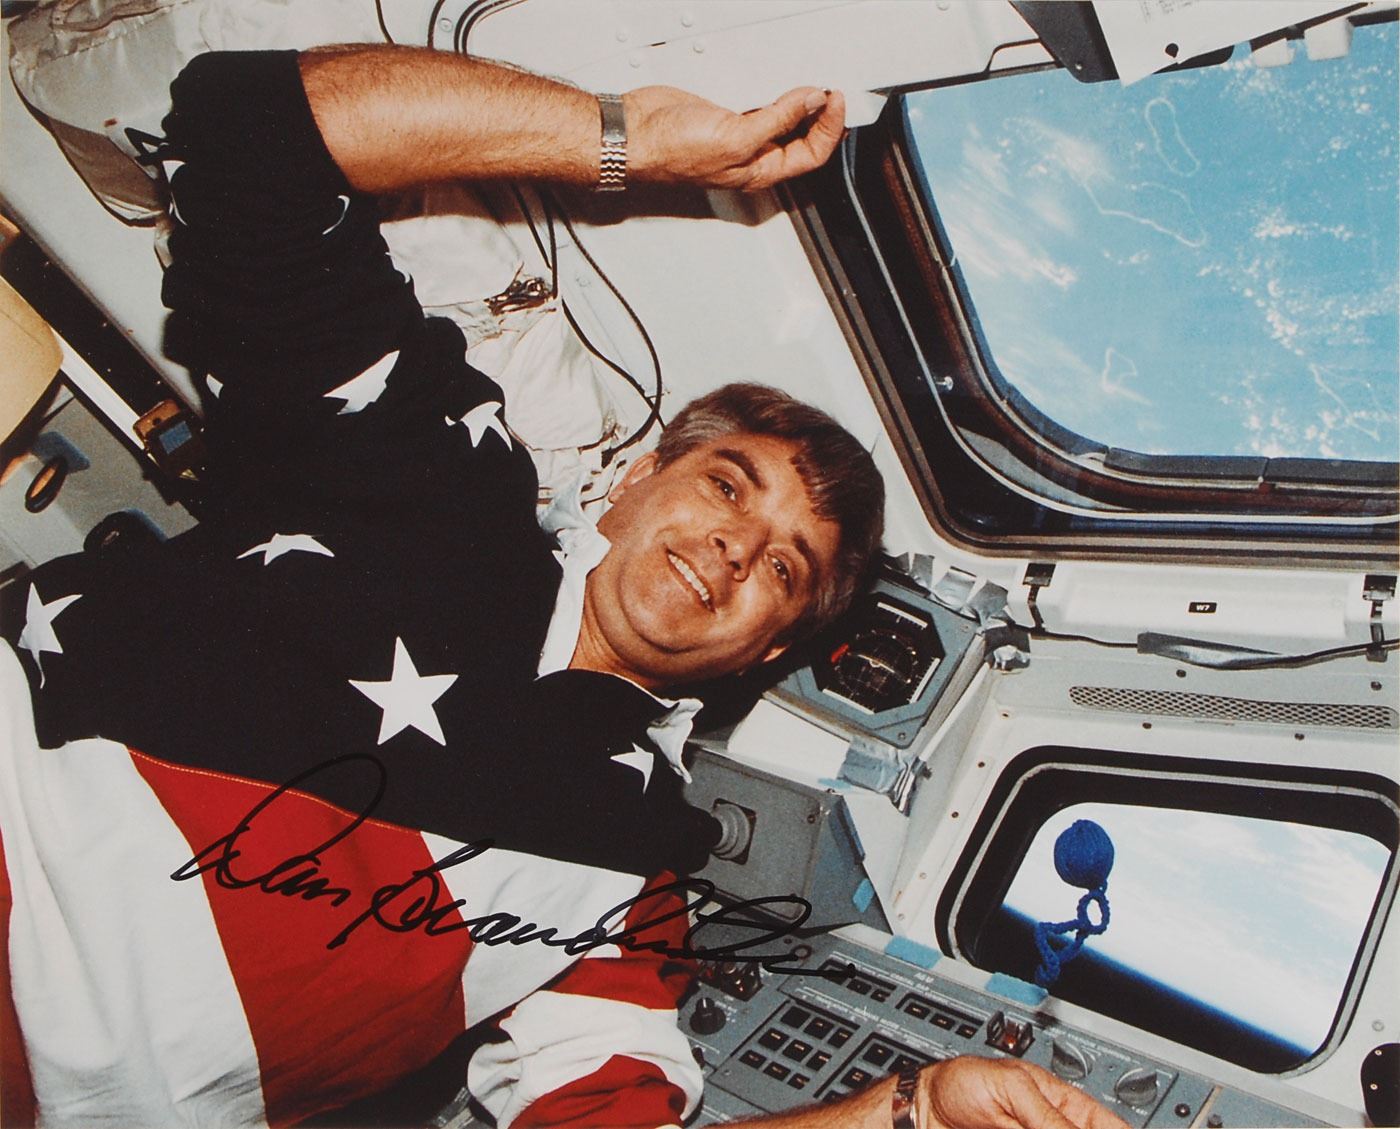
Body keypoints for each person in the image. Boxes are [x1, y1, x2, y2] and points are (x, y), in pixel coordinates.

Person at [0, 44, 1126, 1129]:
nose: (736, 548)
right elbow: (244, 132)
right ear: (632, 482)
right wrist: (630, 139)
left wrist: (908, 1108)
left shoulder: (632, 880)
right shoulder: (434, 480)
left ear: (767, 650)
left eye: (786, 566)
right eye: (726, 485)